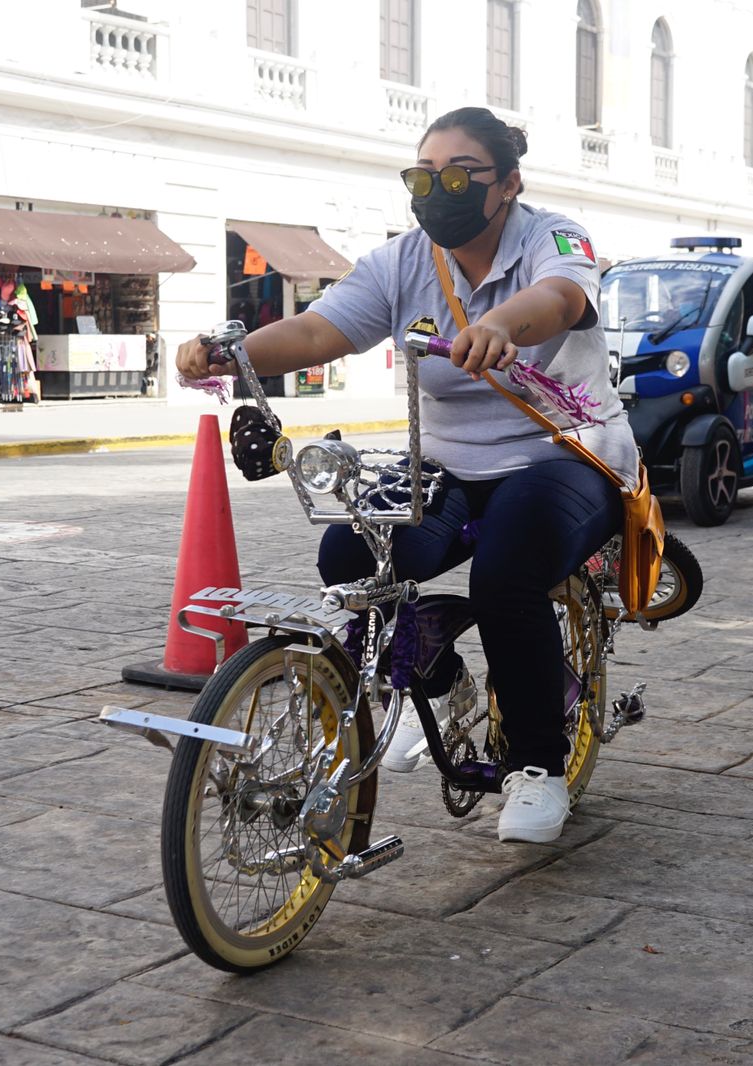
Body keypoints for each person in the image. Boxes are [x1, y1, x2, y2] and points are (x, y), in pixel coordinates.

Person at [175, 107, 633, 844]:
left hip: (562, 453)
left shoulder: (553, 235)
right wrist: (234, 352)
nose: (436, 189)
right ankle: (441, 679)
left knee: (507, 576)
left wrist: (501, 326)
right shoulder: (402, 260)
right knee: (350, 554)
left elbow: (560, 299)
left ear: (509, 183)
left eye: (458, 175)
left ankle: (538, 766)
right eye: (422, 175)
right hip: (449, 462)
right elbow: (323, 329)